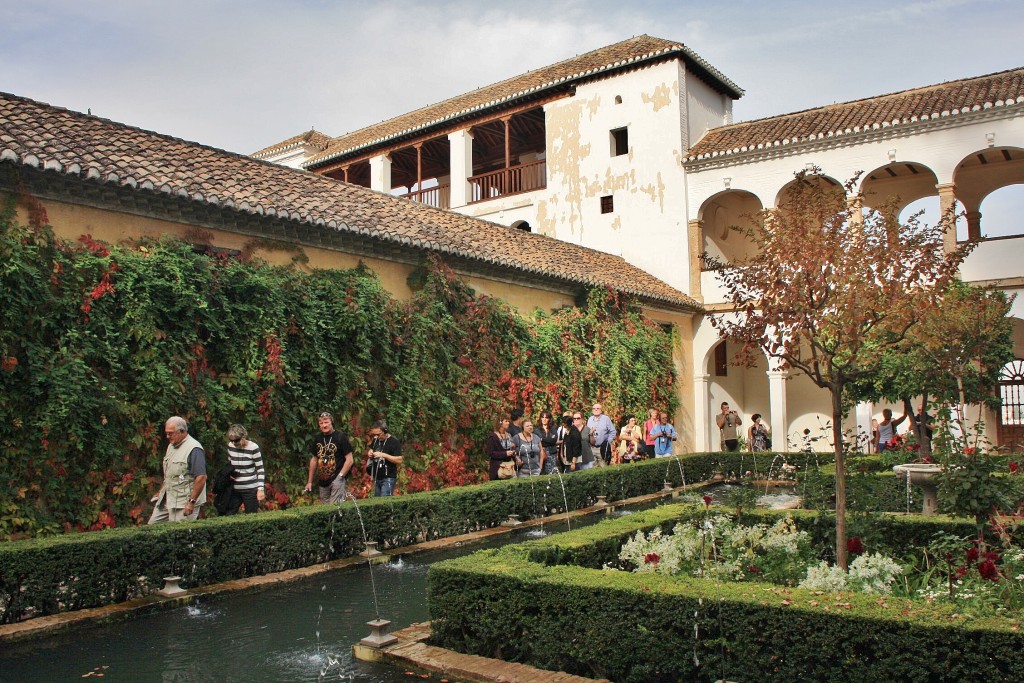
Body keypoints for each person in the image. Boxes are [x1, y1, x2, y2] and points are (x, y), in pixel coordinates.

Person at [149, 416, 207, 523]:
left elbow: (201, 477)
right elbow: (170, 473)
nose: (167, 436)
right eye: (167, 433)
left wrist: (191, 502)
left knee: (179, 535)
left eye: (170, 433)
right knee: (152, 527)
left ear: (182, 431)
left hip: (183, 503)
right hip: (168, 499)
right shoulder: (171, 446)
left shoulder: (194, 449)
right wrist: (161, 491)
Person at [304, 411, 354, 503]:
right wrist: (309, 481)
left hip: (336, 479)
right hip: (322, 482)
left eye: (326, 422)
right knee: (325, 510)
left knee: (335, 509)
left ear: (331, 422)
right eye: (321, 423)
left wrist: (340, 476)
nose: (324, 425)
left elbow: (350, 460)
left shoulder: (340, 437)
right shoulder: (318, 438)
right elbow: (314, 460)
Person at [225, 424, 265, 514]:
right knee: (228, 513)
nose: (234, 443)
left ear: (243, 437)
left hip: (250, 488)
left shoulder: (253, 447)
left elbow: (260, 469)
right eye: (232, 440)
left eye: (237, 440)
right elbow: (230, 464)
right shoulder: (230, 446)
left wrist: (260, 489)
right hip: (234, 488)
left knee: (252, 515)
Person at [365, 420, 402, 497]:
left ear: (385, 431)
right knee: (377, 502)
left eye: (379, 434)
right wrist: (370, 452)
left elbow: (399, 460)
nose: (377, 436)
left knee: (384, 501)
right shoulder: (375, 440)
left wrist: (383, 455)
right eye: (375, 435)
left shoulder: (394, 442)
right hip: (376, 476)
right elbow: (372, 449)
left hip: (388, 477)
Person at [535, 410, 560, 475]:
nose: (544, 419)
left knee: (552, 474)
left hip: (551, 453)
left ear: (549, 419)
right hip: (541, 453)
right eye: (542, 417)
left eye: (546, 417)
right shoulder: (536, 430)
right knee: (540, 473)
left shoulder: (553, 428)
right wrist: (549, 439)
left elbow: (554, 440)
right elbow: (537, 441)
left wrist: (543, 439)